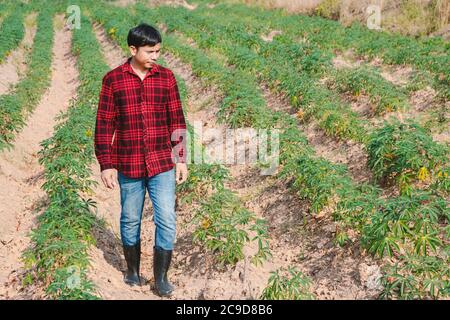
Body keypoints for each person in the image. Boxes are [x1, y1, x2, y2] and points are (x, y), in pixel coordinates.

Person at [94, 23, 188, 297]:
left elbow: (177, 120)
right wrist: (107, 164)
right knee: (130, 218)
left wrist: (180, 158)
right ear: (132, 49)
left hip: (161, 163)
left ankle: (161, 278)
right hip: (129, 163)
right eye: (150, 51)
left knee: (167, 218)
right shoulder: (113, 79)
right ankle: (133, 270)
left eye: (158, 51)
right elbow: (104, 125)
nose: (155, 56)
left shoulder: (166, 78)